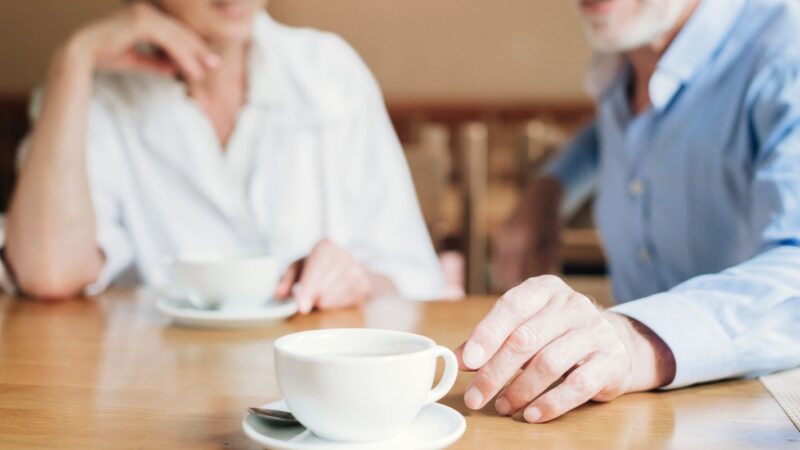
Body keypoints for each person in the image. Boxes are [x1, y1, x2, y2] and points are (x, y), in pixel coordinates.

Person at [461, 0, 800, 423]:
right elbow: (623, 132)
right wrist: (550, 188)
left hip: (760, 414)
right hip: (627, 418)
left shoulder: (787, 47)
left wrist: (635, 337)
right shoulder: (627, 55)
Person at [2, 0, 445, 312]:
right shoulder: (92, 98)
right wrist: (74, 58)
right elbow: (48, 273)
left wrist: (360, 281)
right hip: (157, 401)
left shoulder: (329, 70)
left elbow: (415, 284)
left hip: (315, 403)